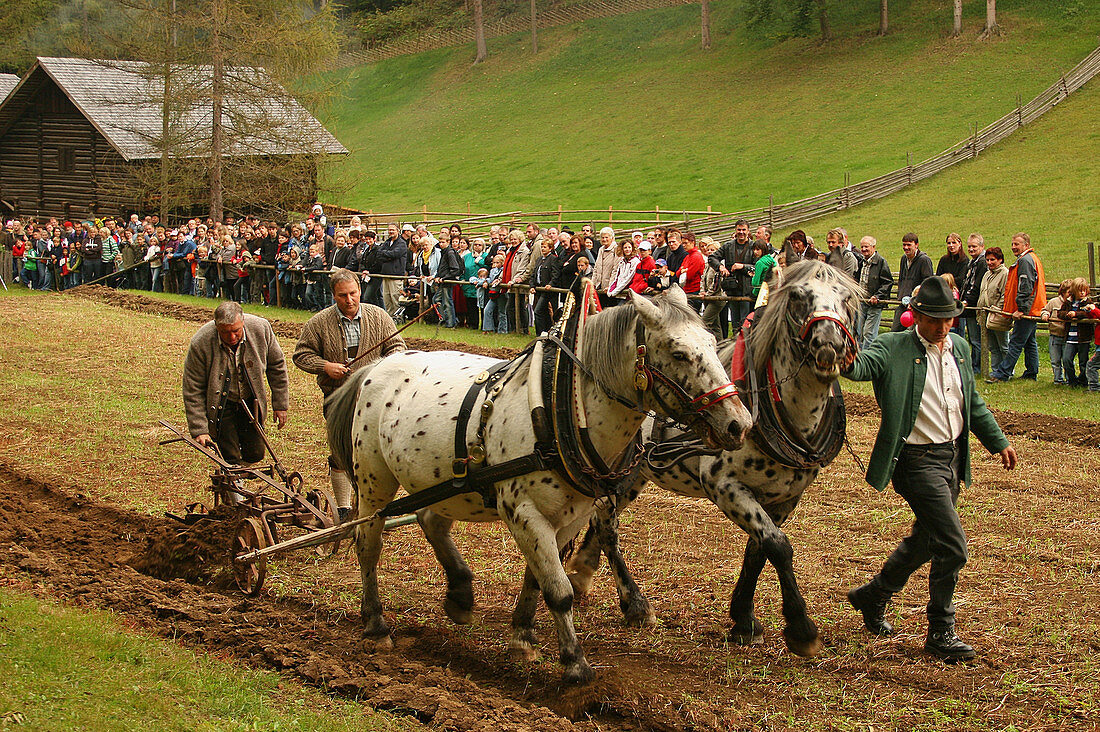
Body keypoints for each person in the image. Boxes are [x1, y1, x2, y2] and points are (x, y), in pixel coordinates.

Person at [843, 276, 1016, 662]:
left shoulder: (960, 348)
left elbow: (972, 401)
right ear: (914, 315)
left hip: (952, 458)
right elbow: (858, 367)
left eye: (949, 319)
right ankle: (941, 629)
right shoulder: (893, 347)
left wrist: (997, 440)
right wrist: (836, 344)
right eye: (934, 319)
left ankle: (873, 596)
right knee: (953, 546)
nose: (942, 327)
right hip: (915, 462)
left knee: (926, 540)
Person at [293, 269, 406, 521]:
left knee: (374, 452)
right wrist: (326, 366)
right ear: (334, 295)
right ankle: (344, 508)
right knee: (341, 452)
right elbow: (301, 355)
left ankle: (373, 506)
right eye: (342, 295)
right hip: (338, 398)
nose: (349, 300)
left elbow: (398, 348)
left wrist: (380, 368)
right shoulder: (318, 323)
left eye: (353, 293)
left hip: (375, 398)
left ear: (359, 290)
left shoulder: (379, 317)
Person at [182, 301, 289, 470]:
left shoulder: (261, 328)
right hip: (222, 404)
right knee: (229, 455)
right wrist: (199, 429)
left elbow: (277, 366)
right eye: (225, 332)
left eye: (236, 331)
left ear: (243, 322)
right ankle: (234, 485)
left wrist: (280, 404)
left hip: (250, 400)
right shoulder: (201, 342)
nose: (232, 337)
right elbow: (193, 387)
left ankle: (239, 477)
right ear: (216, 326)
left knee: (255, 453)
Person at [987, 233, 1046, 383]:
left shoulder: (1025, 261)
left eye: (1017, 244)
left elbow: (1025, 286)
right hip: (1034, 307)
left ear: (1026, 245)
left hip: (1027, 309)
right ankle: (1032, 372)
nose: (1013, 247)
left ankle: (1002, 373)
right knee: (1029, 341)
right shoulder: (1031, 258)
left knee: (1016, 342)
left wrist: (1021, 308)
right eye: (1012, 244)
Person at [855, 236, 894, 349]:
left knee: (869, 332)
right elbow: (857, 279)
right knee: (859, 330)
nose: (863, 249)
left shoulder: (880, 262)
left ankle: (868, 356)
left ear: (873, 247)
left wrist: (877, 296)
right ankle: (859, 354)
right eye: (862, 247)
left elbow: (887, 282)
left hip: (874, 303)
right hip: (862, 302)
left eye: (866, 246)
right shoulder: (861, 261)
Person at [891, 233, 934, 331]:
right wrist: (900, 296)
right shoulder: (903, 259)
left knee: (914, 333)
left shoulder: (924, 260)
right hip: (903, 303)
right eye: (904, 245)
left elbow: (927, 283)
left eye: (909, 245)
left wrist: (916, 299)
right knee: (895, 331)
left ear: (916, 245)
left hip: (917, 305)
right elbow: (902, 279)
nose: (906, 247)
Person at [976, 247, 1010, 371]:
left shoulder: (1005, 274)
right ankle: (996, 370)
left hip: (997, 314)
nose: (989, 263)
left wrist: (996, 310)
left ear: (1000, 260)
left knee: (1003, 346)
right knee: (993, 346)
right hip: (985, 314)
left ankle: (1007, 370)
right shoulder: (987, 274)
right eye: (988, 260)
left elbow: (1004, 295)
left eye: (993, 260)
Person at [958, 234, 988, 373]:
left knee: (976, 339)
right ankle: (975, 366)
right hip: (969, 305)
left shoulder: (982, 262)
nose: (971, 249)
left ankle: (978, 367)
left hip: (974, 306)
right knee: (973, 338)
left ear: (982, 247)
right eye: (969, 246)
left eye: (974, 246)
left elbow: (976, 285)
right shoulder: (973, 261)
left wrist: (967, 300)